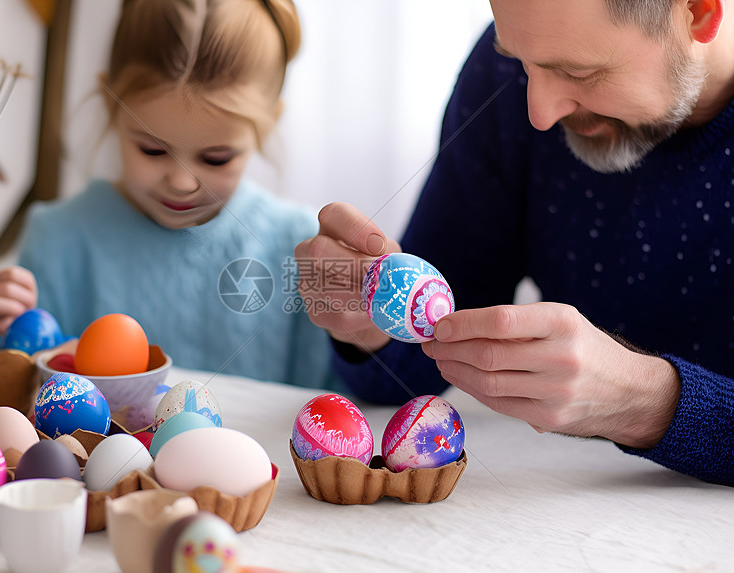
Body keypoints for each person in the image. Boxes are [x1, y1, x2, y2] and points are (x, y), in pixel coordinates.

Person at [294, 0, 734, 486]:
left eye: (578, 73)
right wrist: (367, 323)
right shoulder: (506, 70)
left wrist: (646, 403)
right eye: (523, 65)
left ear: (697, 12)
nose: (539, 114)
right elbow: (406, 377)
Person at [0, 0, 340, 390]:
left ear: (269, 124)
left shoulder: (300, 248)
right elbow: (26, 397)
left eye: (216, 158)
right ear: (109, 103)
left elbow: (334, 417)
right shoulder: (59, 238)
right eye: (152, 150)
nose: (183, 183)